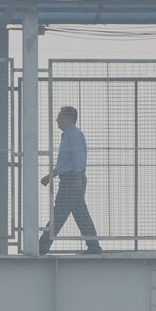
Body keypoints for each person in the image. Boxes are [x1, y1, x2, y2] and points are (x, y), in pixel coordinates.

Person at [39, 106, 101, 255]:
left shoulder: (73, 135)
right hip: (71, 179)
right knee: (80, 214)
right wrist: (50, 176)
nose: (57, 120)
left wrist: (78, 179)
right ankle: (94, 246)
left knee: (59, 214)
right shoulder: (70, 135)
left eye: (60, 117)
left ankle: (41, 246)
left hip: (70, 181)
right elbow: (66, 163)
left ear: (69, 118)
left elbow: (78, 160)